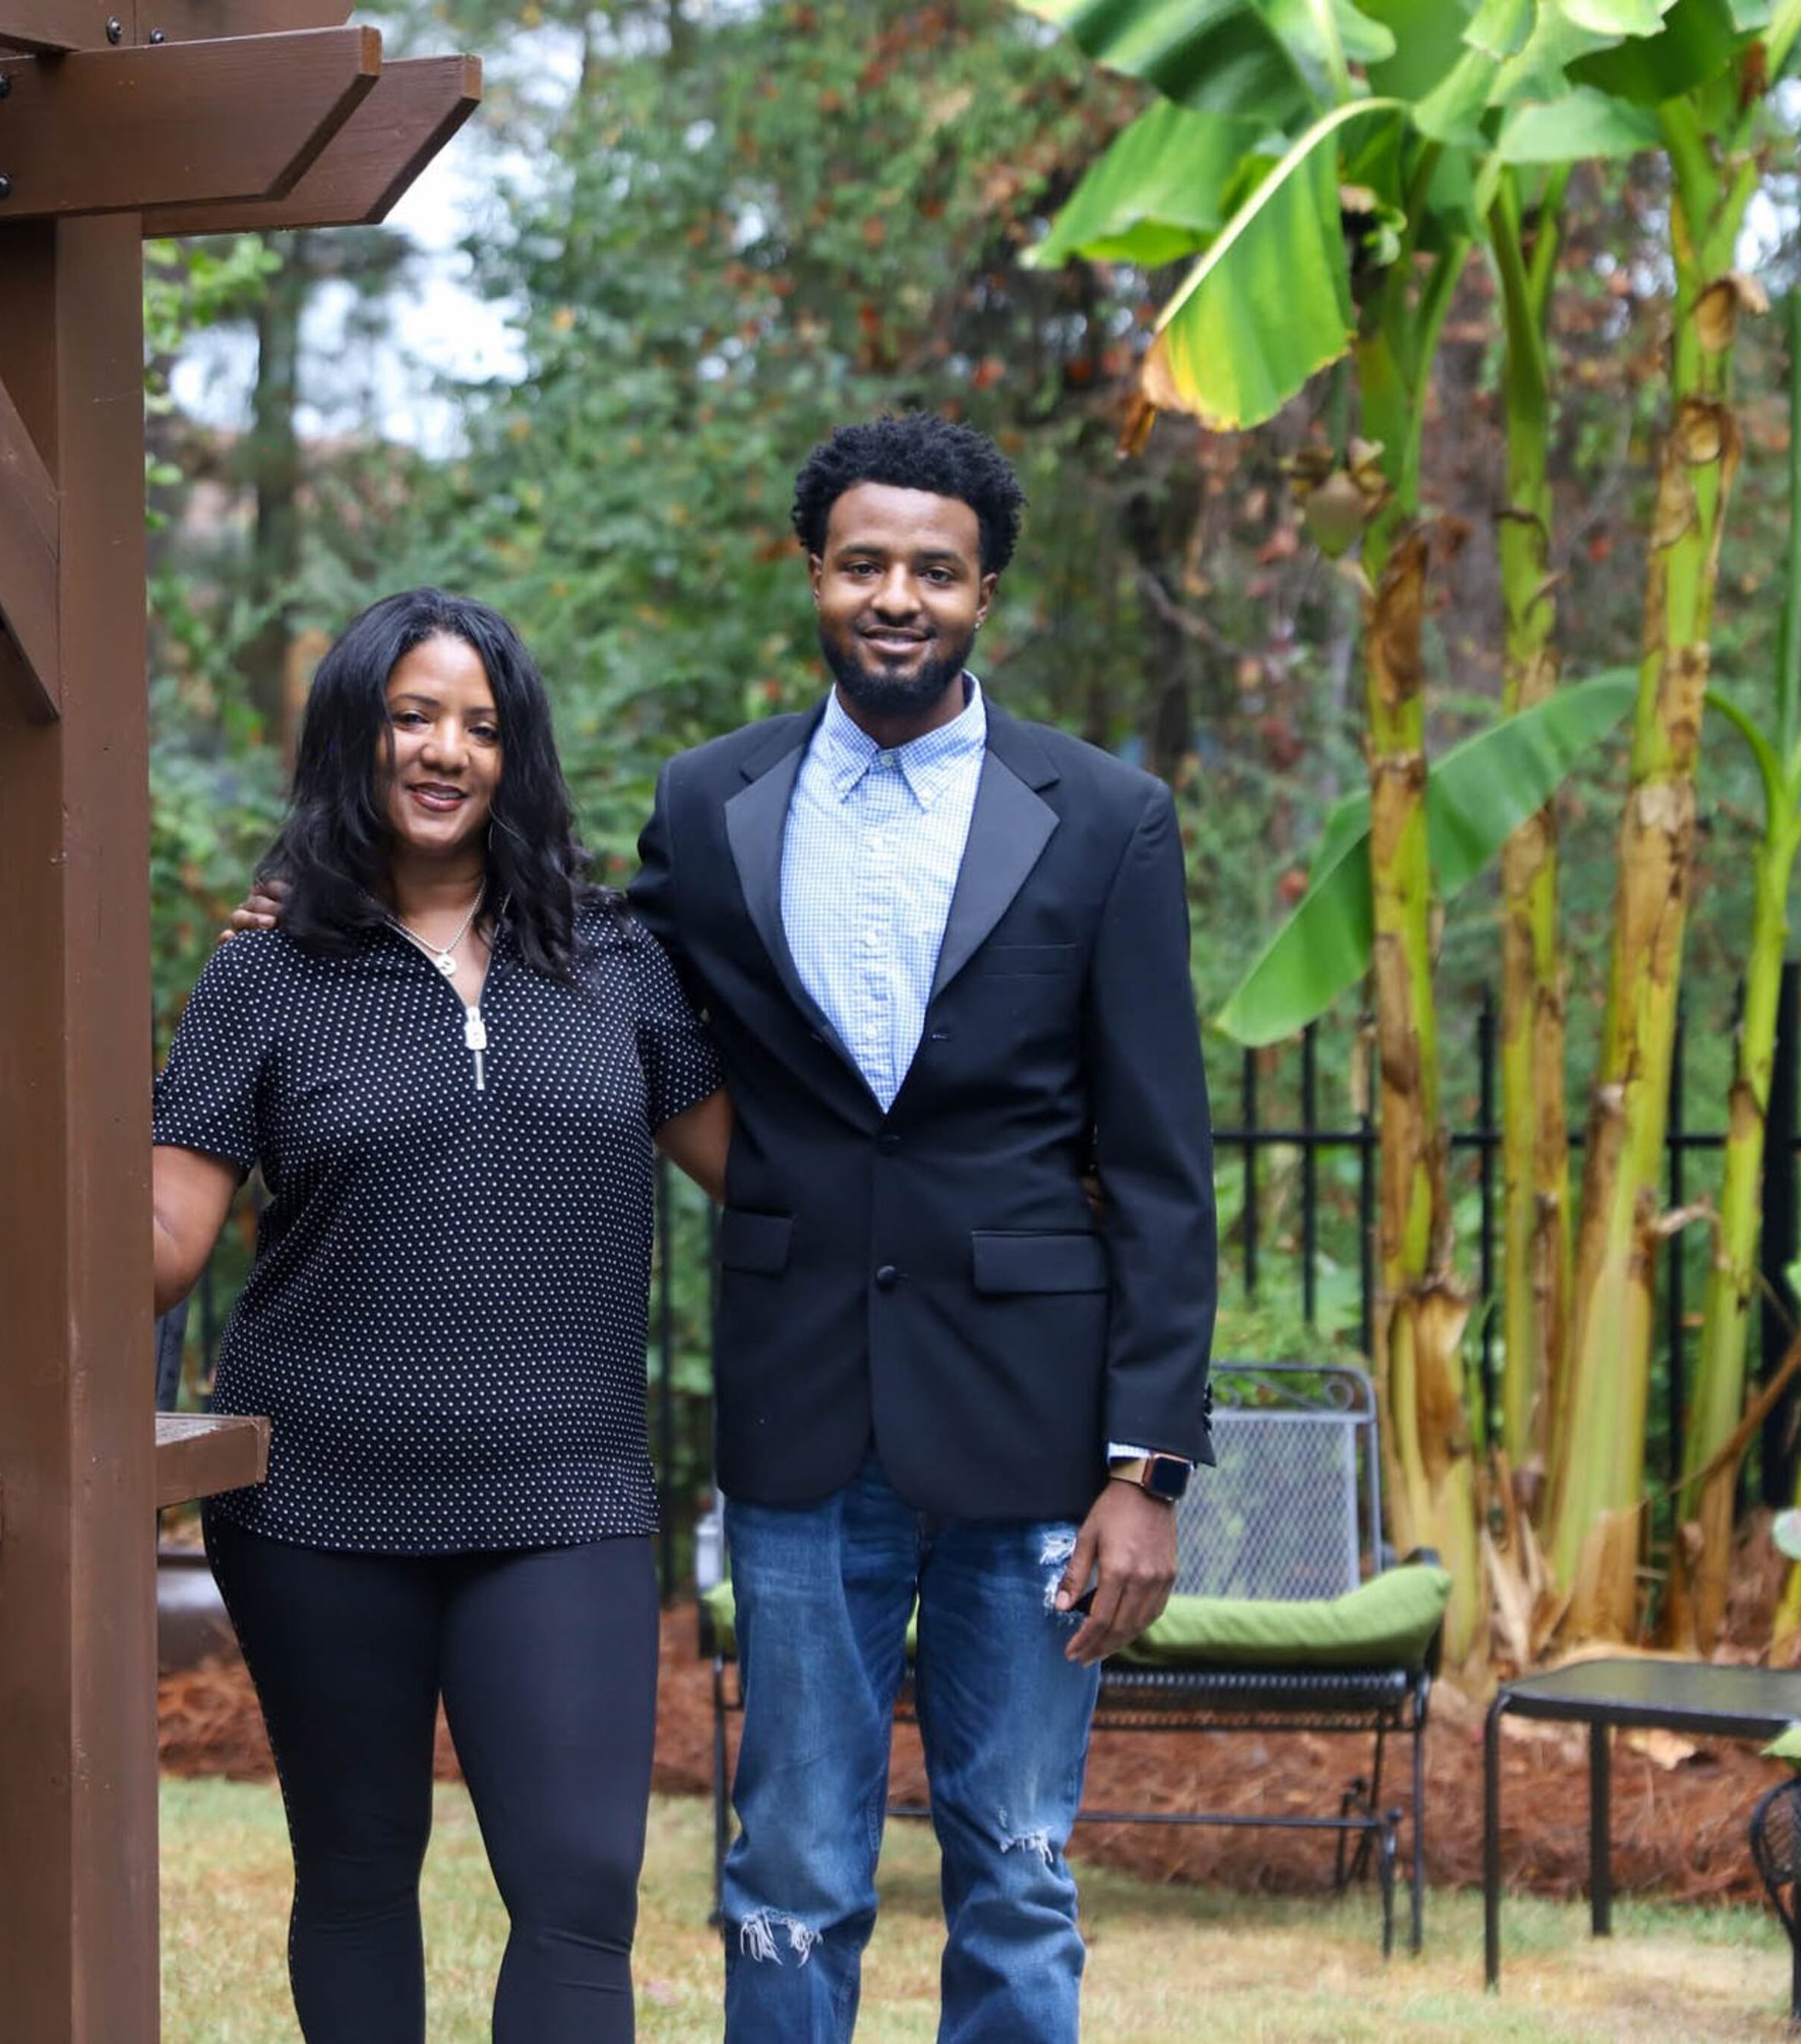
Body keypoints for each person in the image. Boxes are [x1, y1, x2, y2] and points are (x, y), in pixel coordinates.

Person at [627, 413, 1216, 2041]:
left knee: (1019, 1863)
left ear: (986, 594)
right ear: (812, 573)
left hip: (1038, 1435)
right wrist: (321, 908)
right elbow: (580, 972)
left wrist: (1144, 1468)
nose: (900, 594)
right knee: (791, 1869)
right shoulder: (711, 803)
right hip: (803, 1408)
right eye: (868, 562)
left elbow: (1164, 1165)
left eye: (936, 570)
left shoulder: (1104, 818)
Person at [151, 588, 730, 2044]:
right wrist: (9, 1120)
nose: (444, 750)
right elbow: (162, 1247)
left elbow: (766, 1168)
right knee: (354, 1873)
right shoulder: (266, 971)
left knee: (582, 1890)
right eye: (413, 715)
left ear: (516, 756)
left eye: (479, 724)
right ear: (355, 735)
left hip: (566, 1489)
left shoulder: (612, 959)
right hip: (318, 1499)